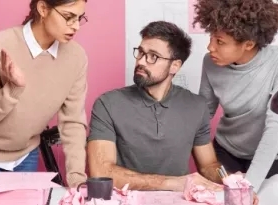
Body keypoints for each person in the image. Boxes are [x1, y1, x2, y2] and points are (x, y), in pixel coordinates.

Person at [0, 0, 89, 188]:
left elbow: (73, 122)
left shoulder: (76, 57)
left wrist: (77, 179)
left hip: (24, 153)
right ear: (43, 9)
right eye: (68, 17)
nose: (75, 26)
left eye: (79, 18)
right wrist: (13, 89)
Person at [86, 21, 222, 192]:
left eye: (153, 56)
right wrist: (174, 183)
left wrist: (228, 178)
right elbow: (101, 172)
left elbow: (208, 165)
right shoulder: (107, 104)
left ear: (175, 66)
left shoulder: (197, 106)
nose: (141, 61)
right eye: (140, 52)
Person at [193, 0, 278, 192]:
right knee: (220, 199)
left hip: (272, 159)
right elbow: (203, 114)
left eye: (220, 42)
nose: (210, 47)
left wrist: (249, 187)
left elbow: (275, 127)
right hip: (226, 154)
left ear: (248, 44)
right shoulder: (210, 62)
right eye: (211, 38)